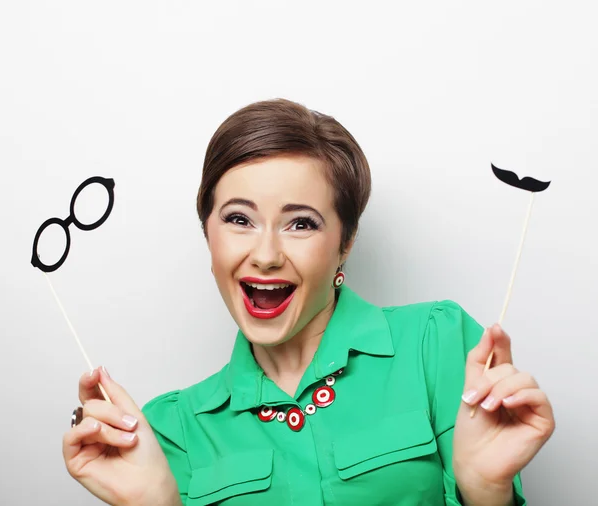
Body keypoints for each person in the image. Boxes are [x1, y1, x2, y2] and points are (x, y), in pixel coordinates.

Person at [63, 98, 555, 506]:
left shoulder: (437, 343)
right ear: (207, 235)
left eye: (301, 223)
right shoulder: (168, 431)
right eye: (239, 219)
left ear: (346, 242)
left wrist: (486, 489)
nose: (266, 254)